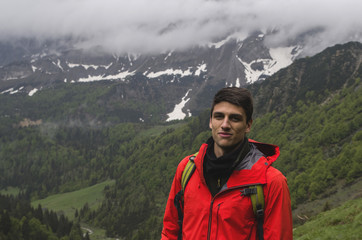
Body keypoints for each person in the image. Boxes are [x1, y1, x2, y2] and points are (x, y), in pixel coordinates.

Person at [161, 87, 293, 240]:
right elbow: (170, 231)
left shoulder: (271, 182)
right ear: (210, 121)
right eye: (219, 116)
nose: (225, 124)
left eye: (234, 118)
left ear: (248, 125)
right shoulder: (187, 169)